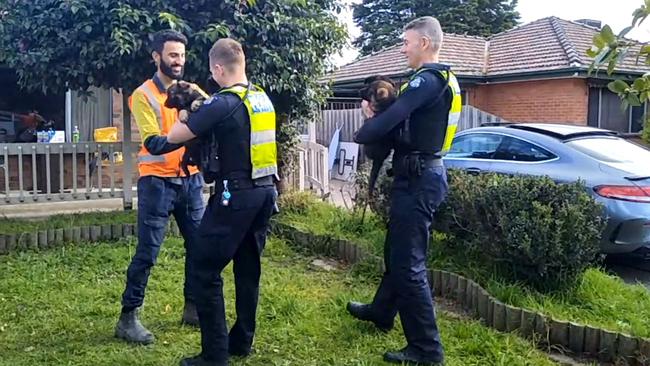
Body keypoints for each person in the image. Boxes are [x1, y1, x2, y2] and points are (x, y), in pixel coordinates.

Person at [346, 16, 462, 365]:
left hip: (419, 179)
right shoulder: (447, 79)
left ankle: (427, 349)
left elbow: (380, 127)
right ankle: (382, 311)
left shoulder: (426, 81)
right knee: (397, 252)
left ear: (424, 43)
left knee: (409, 265)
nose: (403, 49)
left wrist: (368, 119)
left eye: (406, 42)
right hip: (423, 174)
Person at [166, 38, 278, 366]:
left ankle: (214, 355)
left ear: (217, 68)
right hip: (265, 192)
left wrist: (186, 110)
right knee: (247, 267)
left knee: (203, 268)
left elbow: (175, 136)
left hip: (235, 194)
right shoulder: (262, 98)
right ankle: (241, 341)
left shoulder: (222, 102)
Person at [114, 30, 208, 345]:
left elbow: (210, 118)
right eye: (172, 55)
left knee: (199, 247)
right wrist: (189, 125)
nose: (178, 61)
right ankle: (128, 318)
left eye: (181, 55)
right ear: (156, 56)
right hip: (157, 182)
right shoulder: (142, 95)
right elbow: (153, 143)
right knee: (147, 252)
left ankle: (193, 309)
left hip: (191, 180)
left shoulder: (193, 90)